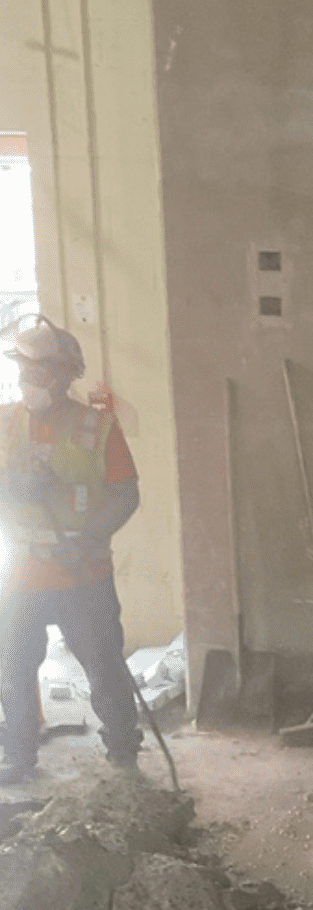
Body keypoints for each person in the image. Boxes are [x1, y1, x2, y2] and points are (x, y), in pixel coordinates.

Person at [0, 315, 142, 785]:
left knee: (103, 665)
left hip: (83, 573)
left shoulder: (96, 427)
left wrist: (83, 543)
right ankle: (19, 756)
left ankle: (123, 747)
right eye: (23, 372)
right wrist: (17, 487)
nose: (28, 383)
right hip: (21, 575)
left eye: (38, 374)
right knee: (13, 669)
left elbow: (125, 495)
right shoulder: (4, 422)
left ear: (64, 377)